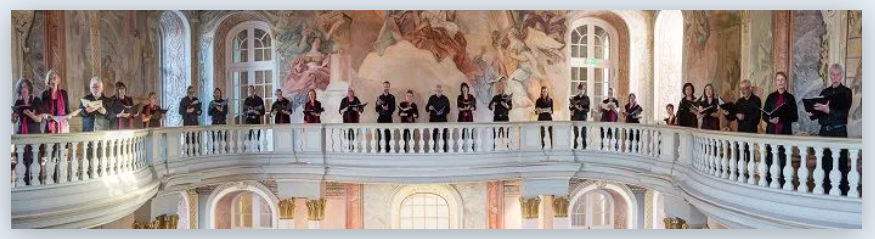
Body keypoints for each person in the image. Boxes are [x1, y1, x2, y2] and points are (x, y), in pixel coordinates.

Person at [806, 63, 854, 195]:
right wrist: (812, 113)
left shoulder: (846, 92)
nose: (835, 77)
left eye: (837, 74)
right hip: (825, 132)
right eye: (832, 74)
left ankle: (842, 194)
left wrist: (828, 110)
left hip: (839, 132)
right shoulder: (824, 92)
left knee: (840, 165)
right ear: (830, 75)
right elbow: (819, 114)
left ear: (841, 76)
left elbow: (843, 114)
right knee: (824, 164)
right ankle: (825, 192)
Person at [761, 72, 798, 186]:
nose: (780, 82)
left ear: (785, 82)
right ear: (775, 82)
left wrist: (781, 118)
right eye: (778, 80)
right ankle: (769, 180)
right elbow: (764, 115)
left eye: (782, 80)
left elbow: (795, 116)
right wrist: (770, 120)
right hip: (772, 131)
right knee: (770, 158)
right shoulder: (771, 97)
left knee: (783, 158)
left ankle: (783, 181)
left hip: (784, 132)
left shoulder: (790, 98)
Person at [12, 79, 43, 185]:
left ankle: (36, 186)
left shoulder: (37, 101)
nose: (23, 89)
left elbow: (39, 119)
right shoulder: (18, 102)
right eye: (21, 87)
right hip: (21, 135)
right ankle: (23, 186)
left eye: (25, 86)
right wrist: (13, 117)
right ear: (19, 90)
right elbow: (14, 120)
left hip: (34, 134)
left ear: (29, 88)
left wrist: (31, 115)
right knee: (22, 162)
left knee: (35, 162)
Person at [40, 69, 74, 134]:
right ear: (48, 81)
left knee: (63, 144)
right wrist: (46, 116)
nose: (53, 80)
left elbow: (67, 109)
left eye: (54, 78)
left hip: (63, 126)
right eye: (50, 79)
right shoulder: (44, 94)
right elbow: (42, 111)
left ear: (58, 80)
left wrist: (70, 115)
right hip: (49, 126)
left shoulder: (64, 93)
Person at [489, 78, 513, 149]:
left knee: (506, 136)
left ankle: (508, 150)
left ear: (506, 86)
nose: (502, 86)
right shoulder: (495, 97)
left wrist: (506, 105)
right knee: (496, 136)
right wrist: (492, 105)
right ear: (499, 86)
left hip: (505, 118)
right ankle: (495, 149)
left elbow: (510, 107)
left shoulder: (508, 97)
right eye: (501, 84)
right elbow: (489, 107)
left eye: (504, 84)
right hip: (496, 118)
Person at [426, 84, 451, 152]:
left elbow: (448, 110)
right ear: (435, 90)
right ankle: (432, 151)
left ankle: (445, 152)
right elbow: (427, 109)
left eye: (440, 90)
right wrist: (429, 108)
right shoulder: (431, 98)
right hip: (433, 120)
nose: (438, 91)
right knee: (433, 138)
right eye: (437, 90)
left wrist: (443, 111)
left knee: (444, 138)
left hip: (443, 120)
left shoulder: (445, 98)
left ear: (442, 91)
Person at [375, 81, 396, 153]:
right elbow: (376, 109)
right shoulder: (379, 97)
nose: (386, 88)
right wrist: (378, 105)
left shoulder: (392, 97)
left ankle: (388, 152)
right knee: (380, 137)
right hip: (381, 118)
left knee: (388, 137)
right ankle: (379, 151)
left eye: (387, 86)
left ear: (389, 87)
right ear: (383, 87)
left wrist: (388, 109)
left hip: (388, 118)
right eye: (385, 86)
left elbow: (393, 108)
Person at [569, 83, 590, 149]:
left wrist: (582, 109)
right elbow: (571, 108)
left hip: (583, 117)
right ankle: (575, 147)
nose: (581, 91)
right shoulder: (575, 98)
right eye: (580, 89)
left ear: (584, 90)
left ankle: (584, 147)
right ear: (578, 90)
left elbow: (588, 109)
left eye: (582, 89)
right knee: (576, 134)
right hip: (576, 117)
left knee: (584, 134)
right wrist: (571, 106)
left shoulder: (586, 98)